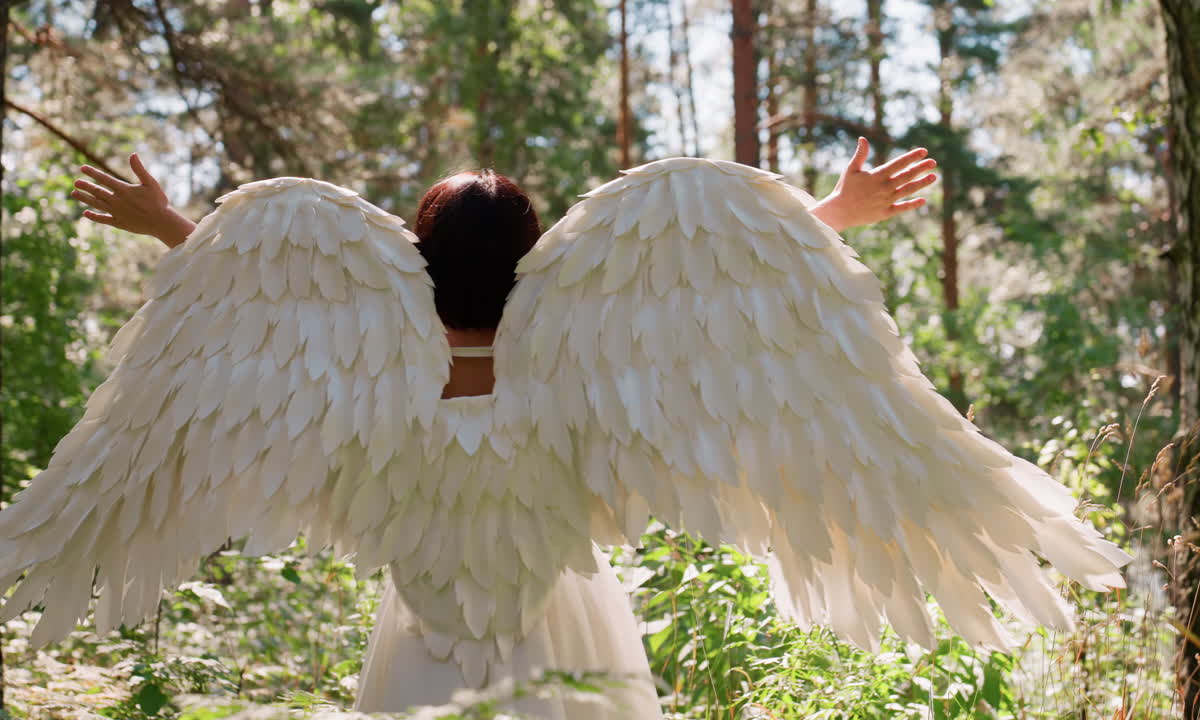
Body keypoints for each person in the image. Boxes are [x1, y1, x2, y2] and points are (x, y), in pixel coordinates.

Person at [68, 141, 938, 717]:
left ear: (419, 251)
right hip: (567, 625)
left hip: (422, 634)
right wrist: (833, 212)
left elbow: (259, 311)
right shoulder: (586, 364)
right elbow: (720, 306)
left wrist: (170, 226)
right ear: (531, 255)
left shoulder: (367, 369)